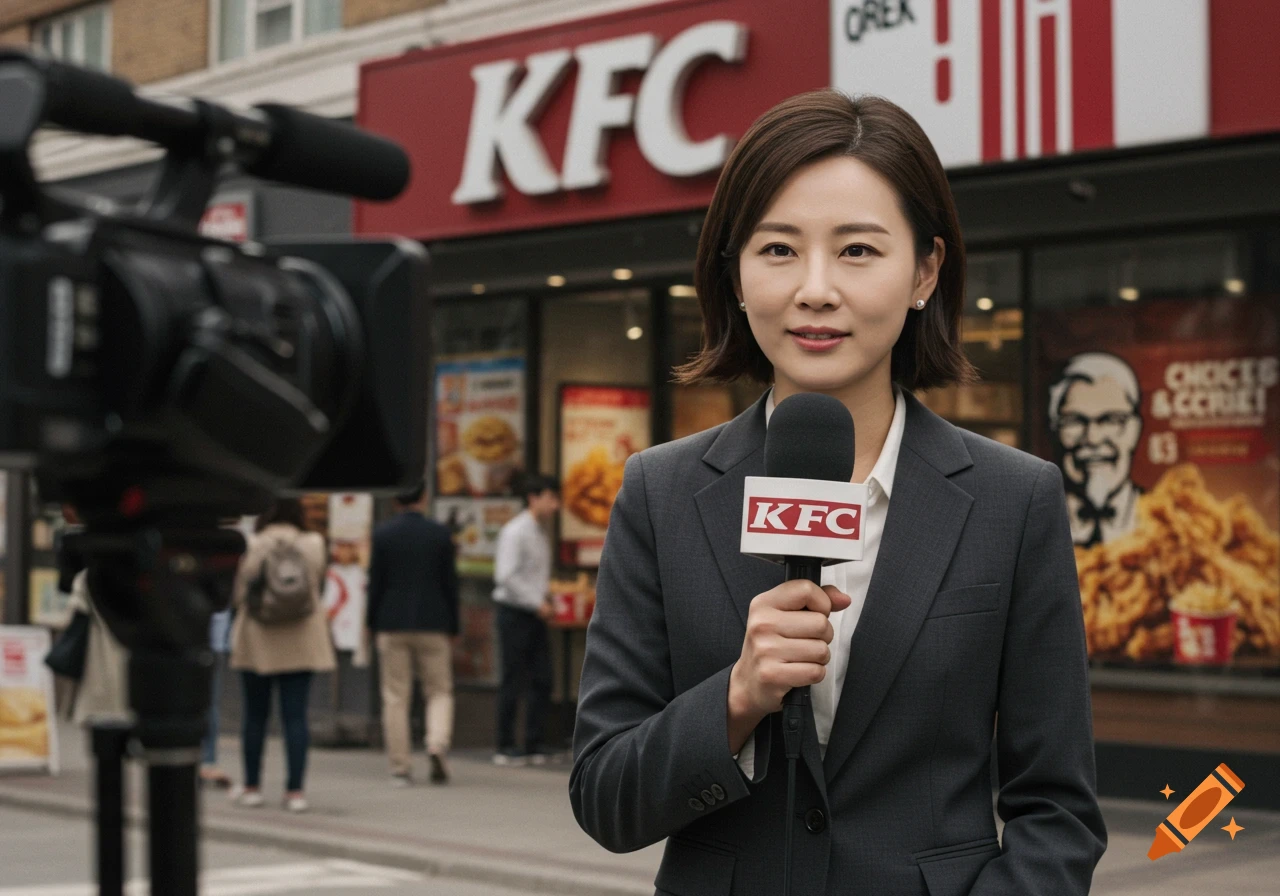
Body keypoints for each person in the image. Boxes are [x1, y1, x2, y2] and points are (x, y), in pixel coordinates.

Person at [569, 91, 1107, 895]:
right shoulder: (662, 492)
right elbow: (606, 798)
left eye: (857, 251)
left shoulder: (1013, 500)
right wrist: (738, 696)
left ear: (926, 270)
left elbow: (1057, 811)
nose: (814, 290)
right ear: (736, 273)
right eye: (779, 250)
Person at [230, 499, 333, 812]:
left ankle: (251, 787)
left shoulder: (253, 544)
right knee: (295, 716)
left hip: (257, 636)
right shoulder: (314, 543)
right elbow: (319, 584)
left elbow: (238, 592)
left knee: (255, 716)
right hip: (302, 635)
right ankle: (295, 792)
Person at [367, 480, 460, 786]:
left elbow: (376, 584)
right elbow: (450, 584)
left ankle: (400, 767)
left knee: (395, 696)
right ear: (424, 498)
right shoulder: (439, 534)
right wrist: (454, 624)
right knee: (439, 690)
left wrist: (370, 623)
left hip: (391, 622)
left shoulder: (382, 535)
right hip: (433, 623)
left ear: (395, 500)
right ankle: (436, 743)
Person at [491, 474, 560, 766]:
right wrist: (536, 602)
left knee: (542, 679)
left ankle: (533, 742)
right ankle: (505, 745)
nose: (555, 506)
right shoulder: (515, 531)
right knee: (513, 679)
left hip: (535, 613)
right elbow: (505, 576)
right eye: (551, 498)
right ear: (534, 497)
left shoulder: (539, 531)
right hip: (515, 613)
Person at [1048, 352, 1145, 546]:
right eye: (1075, 421)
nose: (1093, 438)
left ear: (1135, 430)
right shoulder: (1034, 522)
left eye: (1111, 420)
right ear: (1054, 430)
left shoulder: (1165, 522)